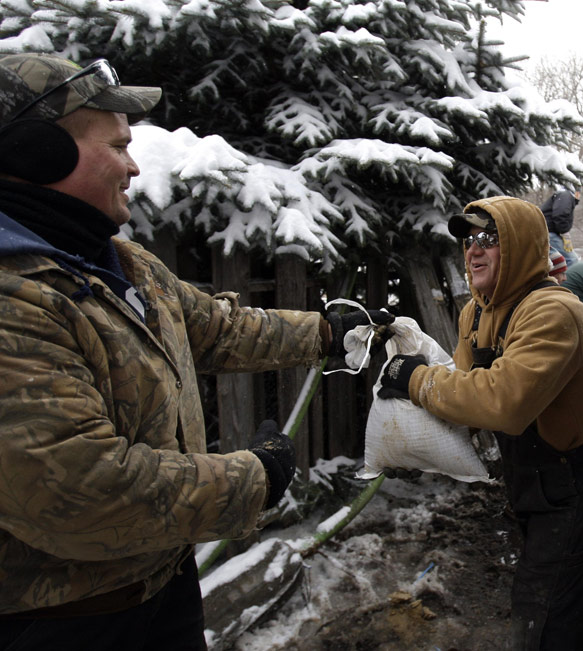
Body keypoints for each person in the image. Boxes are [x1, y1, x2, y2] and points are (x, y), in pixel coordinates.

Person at [0, 53, 392, 649]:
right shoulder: (15, 297)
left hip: (161, 582)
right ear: (36, 154)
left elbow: (217, 329)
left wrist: (326, 332)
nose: (133, 166)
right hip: (68, 623)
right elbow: (80, 488)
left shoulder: (122, 263)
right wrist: (253, 478)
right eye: (116, 147)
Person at [376, 196, 583, 650]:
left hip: (578, 476)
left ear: (524, 246)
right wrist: (410, 427)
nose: (474, 250)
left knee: (541, 608)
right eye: (469, 240)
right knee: (563, 578)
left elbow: (503, 401)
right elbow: (466, 387)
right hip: (531, 473)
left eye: (490, 239)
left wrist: (416, 380)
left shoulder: (554, 312)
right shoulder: (476, 312)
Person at [540, 186, 581, 268]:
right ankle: (568, 281)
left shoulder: (562, 195)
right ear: (577, 192)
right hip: (548, 232)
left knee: (553, 262)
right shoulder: (566, 195)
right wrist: (564, 232)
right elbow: (560, 215)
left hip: (544, 231)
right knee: (571, 259)